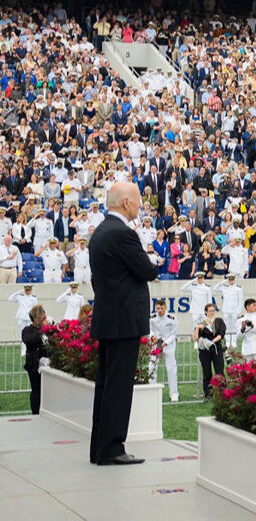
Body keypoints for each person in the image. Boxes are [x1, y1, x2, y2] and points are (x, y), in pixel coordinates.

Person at [89, 182, 159, 466]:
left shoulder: (101, 232)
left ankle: (100, 447)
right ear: (127, 202)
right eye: (139, 200)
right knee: (118, 386)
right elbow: (147, 270)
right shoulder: (123, 234)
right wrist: (154, 262)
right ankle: (113, 448)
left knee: (106, 384)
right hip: (124, 320)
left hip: (108, 317)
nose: (141, 205)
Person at [193, 303, 226, 399]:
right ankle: (208, 393)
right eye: (210, 311)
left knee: (219, 370)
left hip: (216, 348)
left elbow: (221, 334)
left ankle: (222, 392)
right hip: (205, 350)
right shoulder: (202, 323)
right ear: (206, 312)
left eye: (213, 310)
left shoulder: (219, 321)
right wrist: (197, 328)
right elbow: (195, 338)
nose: (212, 312)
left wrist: (211, 342)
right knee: (207, 371)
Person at [149, 298, 179, 402]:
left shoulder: (172, 318)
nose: (160, 310)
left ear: (166, 308)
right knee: (152, 368)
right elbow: (150, 330)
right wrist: (152, 336)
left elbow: (174, 334)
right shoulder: (152, 318)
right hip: (155, 345)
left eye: (162, 308)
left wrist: (166, 342)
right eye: (158, 308)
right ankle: (152, 391)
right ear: (155, 308)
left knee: (171, 369)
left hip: (168, 345)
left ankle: (174, 393)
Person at [21, 304, 49, 415]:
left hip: (47, 364)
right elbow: (29, 340)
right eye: (39, 317)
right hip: (34, 365)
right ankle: (35, 412)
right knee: (36, 389)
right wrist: (41, 331)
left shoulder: (48, 328)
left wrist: (49, 328)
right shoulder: (28, 330)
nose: (41, 320)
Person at [214, 273, 244, 350]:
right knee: (226, 326)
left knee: (234, 326)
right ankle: (227, 341)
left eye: (232, 279)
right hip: (226, 309)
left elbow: (240, 300)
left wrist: (239, 310)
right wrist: (222, 282)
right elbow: (215, 289)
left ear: (234, 279)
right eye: (229, 280)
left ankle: (233, 341)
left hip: (234, 310)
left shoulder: (238, 288)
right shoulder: (224, 287)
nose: (231, 281)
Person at [9, 284, 38, 356]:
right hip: (21, 317)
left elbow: (36, 309)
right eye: (26, 290)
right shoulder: (20, 297)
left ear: (31, 290)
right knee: (22, 334)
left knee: (29, 334)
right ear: (24, 290)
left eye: (29, 290)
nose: (27, 291)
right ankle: (23, 350)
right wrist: (17, 292)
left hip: (29, 318)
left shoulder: (34, 298)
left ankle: (29, 350)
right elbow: (10, 298)